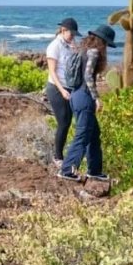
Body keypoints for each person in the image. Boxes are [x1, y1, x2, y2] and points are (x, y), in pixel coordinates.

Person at [59, 24, 117, 182]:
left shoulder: (81, 50)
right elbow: (88, 76)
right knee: (83, 135)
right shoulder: (94, 52)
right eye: (106, 44)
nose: (106, 48)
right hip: (84, 97)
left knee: (93, 134)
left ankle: (95, 171)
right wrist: (96, 97)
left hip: (75, 95)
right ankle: (67, 170)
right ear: (102, 41)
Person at [45, 17, 81, 167]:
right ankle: (57, 156)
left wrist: (75, 50)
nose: (73, 37)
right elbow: (52, 71)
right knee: (63, 122)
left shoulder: (68, 45)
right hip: (56, 87)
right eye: (71, 34)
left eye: (74, 34)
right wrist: (62, 90)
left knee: (67, 122)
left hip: (68, 87)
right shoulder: (54, 46)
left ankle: (61, 154)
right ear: (63, 30)